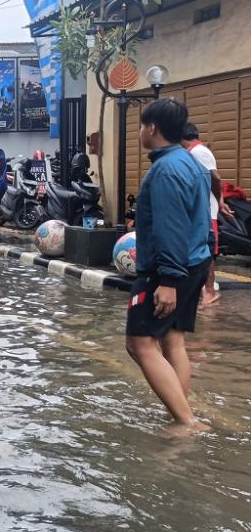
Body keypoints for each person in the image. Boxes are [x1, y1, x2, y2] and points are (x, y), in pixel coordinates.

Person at [125, 98, 212, 435]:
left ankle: (186, 422)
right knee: (173, 341)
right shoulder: (191, 164)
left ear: (152, 128)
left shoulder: (165, 171)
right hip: (195, 262)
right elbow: (201, 220)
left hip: (170, 270)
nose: (140, 132)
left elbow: (170, 227)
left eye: (140, 126)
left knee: (139, 344)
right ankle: (181, 409)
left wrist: (169, 281)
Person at [181, 122, 233, 306]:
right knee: (197, 250)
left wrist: (219, 202)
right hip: (199, 211)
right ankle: (202, 290)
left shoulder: (198, 152)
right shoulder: (192, 153)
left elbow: (215, 178)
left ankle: (210, 292)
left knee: (206, 252)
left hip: (206, 213)